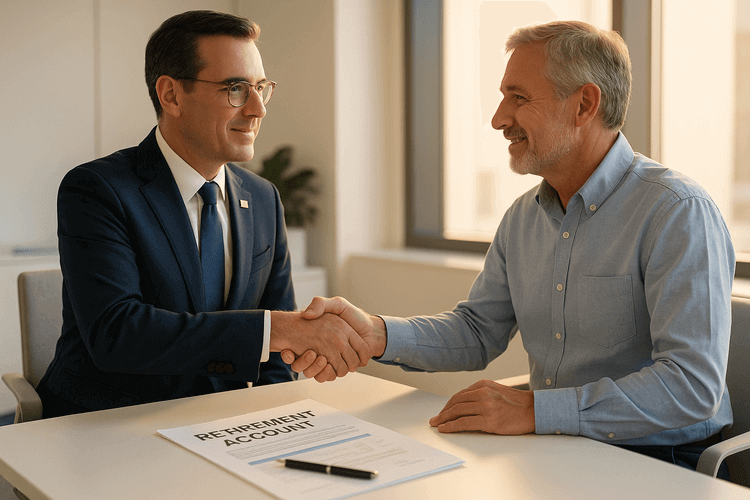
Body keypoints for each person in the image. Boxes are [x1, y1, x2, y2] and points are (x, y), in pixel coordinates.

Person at [284, 20, 736, 473]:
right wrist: (376, 334)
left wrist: (535, 411)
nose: (499, 118)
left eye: (518, 98)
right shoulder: (524, 217)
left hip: (661, 461)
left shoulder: (677, 212)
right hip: (552, 448)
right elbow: (478, 331)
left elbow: (692, 386)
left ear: (584, 104)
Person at [36, 10, 366, 418]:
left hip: (222, 425)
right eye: (235, 89)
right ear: (171, 95)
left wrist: (276, 425)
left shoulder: (263, 198)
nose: (258, 109)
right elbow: (118, 334)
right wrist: (280, 328)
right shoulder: (97, 189)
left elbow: (277, 360)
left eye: (261, 88)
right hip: (105, 425)